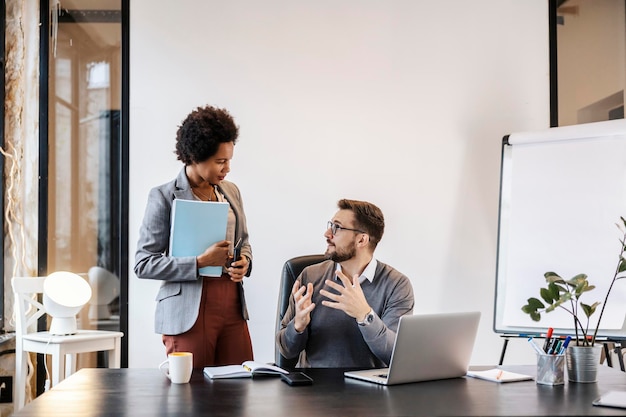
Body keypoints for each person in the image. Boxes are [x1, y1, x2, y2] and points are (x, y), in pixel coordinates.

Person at [134, 105, 253, 367]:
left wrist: (244, 261)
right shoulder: (163, 196)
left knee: (240, 390)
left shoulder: (230, 191)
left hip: (232, 305)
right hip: (188, 309)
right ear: (195, 156)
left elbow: (243, 241)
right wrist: (200, 261)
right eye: (220, 161)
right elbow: (143, 264)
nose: (227, 168)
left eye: (229, 160)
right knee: (193, 397)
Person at [277, 199, 414, 368]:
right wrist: (298, 326)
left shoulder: (397, 285)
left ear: (362, 240)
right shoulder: (310, 276)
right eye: (330, 225)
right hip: (314, 388)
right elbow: (286, 350)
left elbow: (394, 356)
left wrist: (365, 316)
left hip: (370, 390)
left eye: (337, 227)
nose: (327, 233)